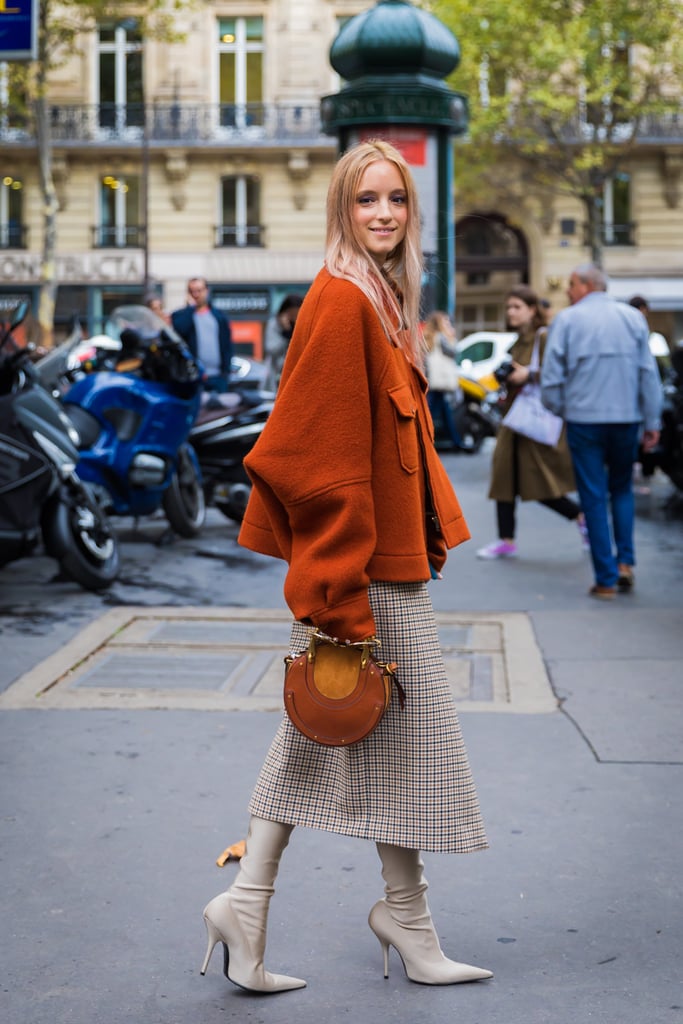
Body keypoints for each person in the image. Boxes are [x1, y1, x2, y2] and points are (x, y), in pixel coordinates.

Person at [199, 140, 492, 993]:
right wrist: (338, 595)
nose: (383, 215)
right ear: (342, 209)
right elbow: (315, 461)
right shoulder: (340, 300)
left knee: (363, 735)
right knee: (347, 731)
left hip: (379, 566)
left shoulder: (380, 301)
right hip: (356, 573)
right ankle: (341, 914)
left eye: (395, 200)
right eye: (365, 201)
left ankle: (286, 910)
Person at [541, 264, 663, 598]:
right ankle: (625, 563)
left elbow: (551, 379)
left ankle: (606, 578)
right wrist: (652, 422)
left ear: (585, 285)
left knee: (593, 497)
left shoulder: (567, 320)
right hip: (626, 417)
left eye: (571, 283)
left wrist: (560, 410)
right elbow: (647, 374)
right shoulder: (632, 318)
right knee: (622, 489)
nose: (567, 290)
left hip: (584, 419)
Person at [477, 285, 587, 560]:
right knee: (503, 478)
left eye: (516, 307)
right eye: (508, 307)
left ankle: (580, 517)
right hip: (513, 420)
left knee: (539, 484)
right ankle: (506, 539)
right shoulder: (518, 340)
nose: (510, 312)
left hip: (534, 420)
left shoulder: (544, 337)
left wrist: (530, 374)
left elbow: (562, 372)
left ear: (532, 309)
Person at [422, 311, 472, 451]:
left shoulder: (429, 337)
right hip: (440, 381)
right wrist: (452, 337)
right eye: (446, 322)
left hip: (435, 381)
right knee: (431, 413)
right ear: (439, 324)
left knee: (443, 412)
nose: (448, 325)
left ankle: (455, 441)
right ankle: (423, 439)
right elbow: (454, 352)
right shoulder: (441, 337)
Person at [171, 277, 232, 392]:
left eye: (199, 290)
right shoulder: (180, 315)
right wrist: (190, 308)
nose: (196, 294)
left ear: (207, 291)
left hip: (217, 377)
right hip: (193, 378)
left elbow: (227, 346)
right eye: (192, 291)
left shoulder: (219, 317)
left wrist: (225, 373)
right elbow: (180, 330)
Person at [263, 293, 304, 390]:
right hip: (278, 373)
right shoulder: (275, 325)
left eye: (297, 313)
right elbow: (271, 349)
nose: (294, 317)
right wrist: (285, 332)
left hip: (298, 373)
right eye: (292, 314)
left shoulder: (304, 325)